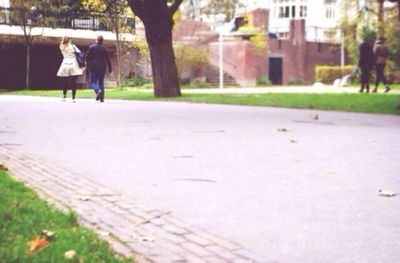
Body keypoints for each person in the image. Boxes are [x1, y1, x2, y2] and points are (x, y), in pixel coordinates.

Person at [56, 36, 84, 102]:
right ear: (69, 40)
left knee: (65, 81)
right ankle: (73, 97)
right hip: (73, 63)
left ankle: (64, 96)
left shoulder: (62, 47)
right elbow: (79, 53)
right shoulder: (73, 46)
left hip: (65, 63)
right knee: (73, 82)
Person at [86, 35, 112, 102]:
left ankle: (97, 91)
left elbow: (87, 56)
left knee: (93, 81)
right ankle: (102, 98)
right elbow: (108, 59)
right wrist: (110, 68)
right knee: (101, 82)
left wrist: (86, 63)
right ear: (102, 41)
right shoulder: (104, 49)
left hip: (94, 65)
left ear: (96, 40)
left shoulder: (92, 47)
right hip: (102, 66)